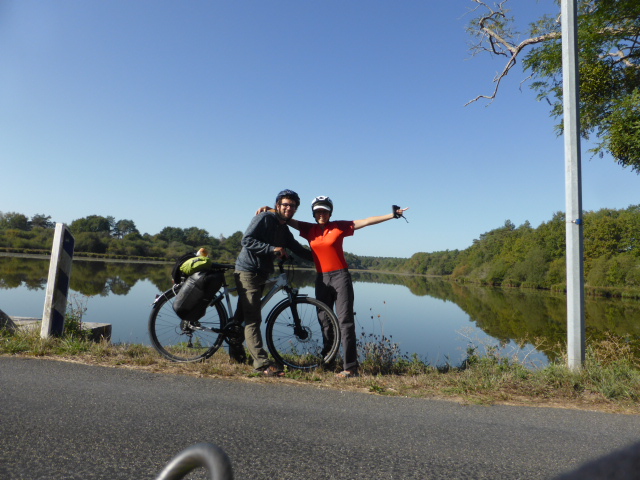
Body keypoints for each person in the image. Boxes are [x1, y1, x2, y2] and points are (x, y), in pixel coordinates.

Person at [261, 196, 409, 378]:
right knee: (324, 320)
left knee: (345, 322)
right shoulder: (309, 229)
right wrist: (270, 209)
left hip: (340, 277)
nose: (321, 214)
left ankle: (350, 368)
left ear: (330, 212)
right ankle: (328, 360)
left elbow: (367, 221)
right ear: (314, 213)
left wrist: (392, 215)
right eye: (318, 211)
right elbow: (287, 217)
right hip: (321, 278)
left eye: (325, 211)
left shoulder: (339, 226)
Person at [233, 189, 313, 376]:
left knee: (241, 317)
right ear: (278, 205)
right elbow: (247, 240)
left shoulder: (283, 228)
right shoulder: (264, 218)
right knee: (253, 317)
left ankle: (235, 354)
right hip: (247, 270)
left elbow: (297, 249)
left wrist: (322, 258)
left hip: (262, 272)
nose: (288, 208)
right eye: (285, 204)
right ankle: (262, 364)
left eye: (292, 206)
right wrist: (272, 248)